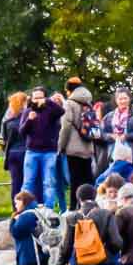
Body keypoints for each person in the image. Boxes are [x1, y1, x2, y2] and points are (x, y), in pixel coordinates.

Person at [19, 86, 64, 210]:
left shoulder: (51, 110)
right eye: (35, 98)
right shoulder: (27, 112)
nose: (37, 100)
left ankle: (49, 210)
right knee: (28, 182)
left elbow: (61, 111)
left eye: (40, 97)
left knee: (48, 182)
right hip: (31, 151)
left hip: (49, 152)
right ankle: (25, 209)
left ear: (44, 97)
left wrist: (48, 101)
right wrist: (29, 120)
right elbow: (21, 132)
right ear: (31, 99)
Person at [58, 82, 97, 211]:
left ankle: (74, 207)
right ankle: (91, 205)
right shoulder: (88, 102)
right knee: (88, 178)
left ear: (69, 90)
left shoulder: (69, 103)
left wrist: (61, 146)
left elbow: (66, 127)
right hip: (88, 146)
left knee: (75, 180)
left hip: (73, 149)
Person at [101, 88, 133, 168]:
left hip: (131, 151)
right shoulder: (108, 116)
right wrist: (111, 136)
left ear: (129, 99)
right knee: (114, 175)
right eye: (120, 99)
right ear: (116, 100)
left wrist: (126, 136)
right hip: (113, 150)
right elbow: (102, 133)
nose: (123, 101)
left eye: (125, 98)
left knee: (131, 176)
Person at [2, 92, 29, 207]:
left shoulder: (7, 122)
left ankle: (16, 208)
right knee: (28, 183)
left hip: (12, 153)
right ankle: (27, 207)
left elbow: (5, 138)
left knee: (15, 183)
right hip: (26, 152)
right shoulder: (28, 119)